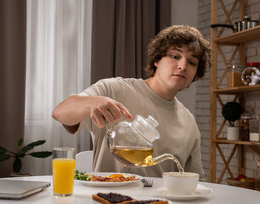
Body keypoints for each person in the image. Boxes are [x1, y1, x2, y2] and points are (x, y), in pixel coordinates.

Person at [52, 25, 210, 180]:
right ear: (157, 60)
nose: (182, 66)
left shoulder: (189, 122)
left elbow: (196, 181)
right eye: (175, 56)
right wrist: (92, 102)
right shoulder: (115, 90)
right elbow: (60, 112)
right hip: (109, 202)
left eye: (192, 63)